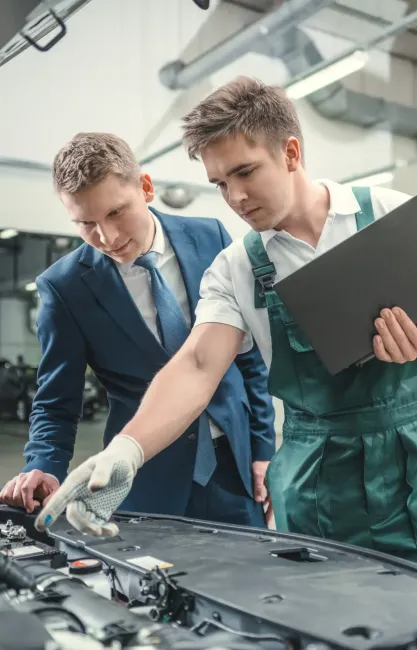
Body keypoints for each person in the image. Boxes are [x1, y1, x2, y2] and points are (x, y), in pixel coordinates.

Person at [36, 79, 417, 583]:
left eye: (245, 172)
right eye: (221, 183)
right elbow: (198, 364)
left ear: (290, 152)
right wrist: (125, 452)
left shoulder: (388, 214)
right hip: (314, 484)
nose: (236, 197)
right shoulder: (237, 268)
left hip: (414, 475)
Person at [1, 132, 275, 531]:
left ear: (145, 188)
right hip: (147, 475)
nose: (107, 237)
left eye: (115, 213)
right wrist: (43, 465)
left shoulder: (210, 238)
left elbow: (248, 359)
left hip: (235, 468)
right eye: (86, 224)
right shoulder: (65, 289)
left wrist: (263, 449)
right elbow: (57, 401)